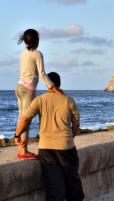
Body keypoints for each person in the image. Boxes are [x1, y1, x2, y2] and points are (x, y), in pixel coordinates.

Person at [15, 72, 84, 201]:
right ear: (59, 84)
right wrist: (70, 137)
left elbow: (25, 119)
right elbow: (76, 124)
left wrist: (17, 135)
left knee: (54, 188)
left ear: (48, 84)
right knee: (73, 185)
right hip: (66, 148)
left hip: (46, 149)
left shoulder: (40, 100)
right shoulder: (69, 100)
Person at [16, 29, 62, 160]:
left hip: (18, 87)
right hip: (28, 89)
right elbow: (42, 74)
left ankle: (21, 150)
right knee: (27, 119)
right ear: (36, 41)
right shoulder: (37, 54)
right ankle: (23, 152)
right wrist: (54, 88)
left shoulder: (23, 54)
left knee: (21, 118)